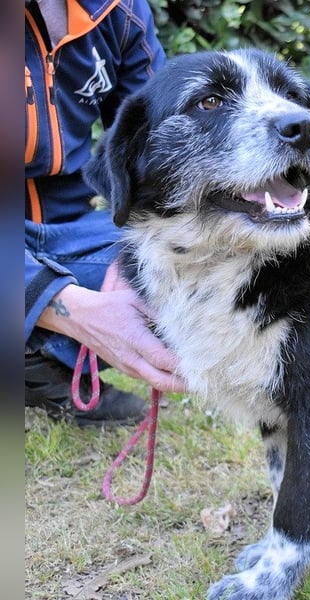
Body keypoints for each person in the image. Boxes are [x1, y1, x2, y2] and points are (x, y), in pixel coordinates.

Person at [25, 0, 187, 427]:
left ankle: (35, 359)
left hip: (67, 233)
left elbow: (158, 146)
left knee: (205, 256)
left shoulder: (119, 9)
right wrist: (69, 307)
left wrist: (133, 244)